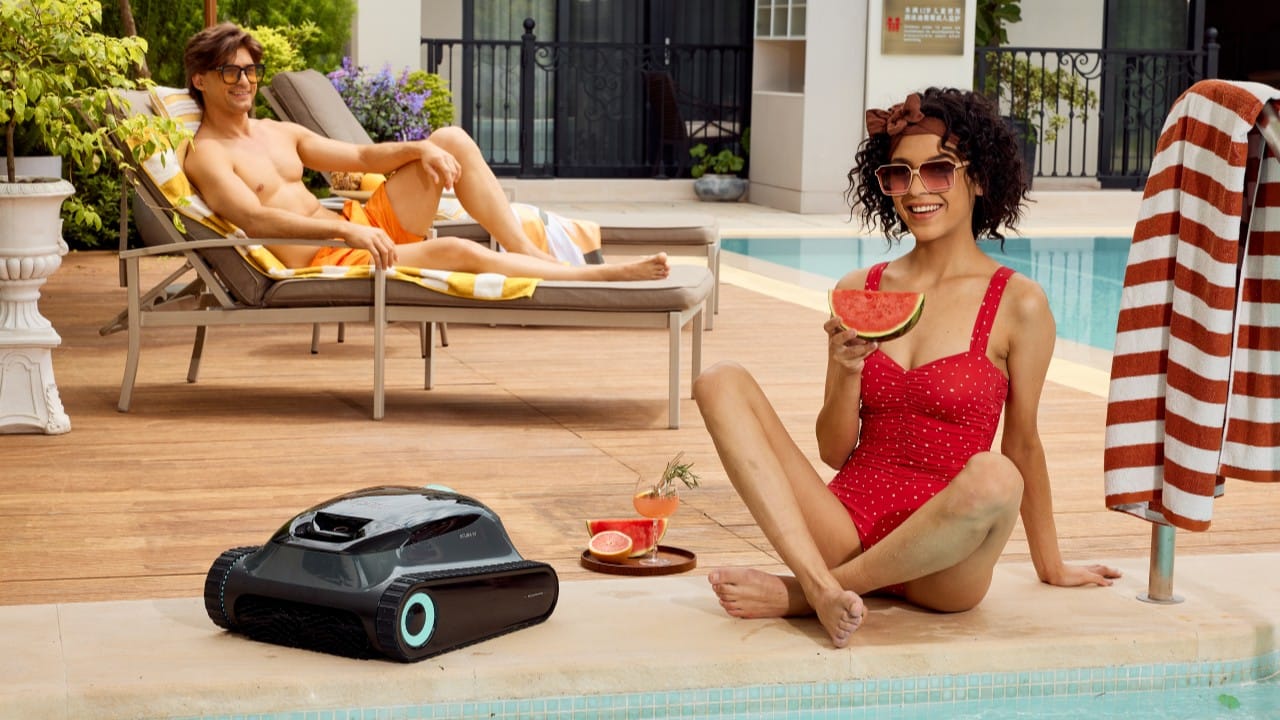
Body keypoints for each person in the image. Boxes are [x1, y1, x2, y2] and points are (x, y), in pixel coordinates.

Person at [692, 87, 1121, 649]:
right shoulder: (858, 289)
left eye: (939, 171)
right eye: (899, 175)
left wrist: (1052, 564)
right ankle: (826, 582)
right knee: (718, 380)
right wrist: (847, 373)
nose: (917, 191)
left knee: (997, 475)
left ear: (980, 178)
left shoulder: (1019, 303)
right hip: (849, 527)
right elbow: (833, 451)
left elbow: (1023, 444)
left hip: (944, 559)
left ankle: (805, 594)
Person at [180, 23, 668, 281]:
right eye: (230, 71)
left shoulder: (276, 130)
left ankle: (526, 251)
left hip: (362, 228)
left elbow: (363, 158)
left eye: (249, 70)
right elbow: (256, 220)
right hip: (327, 259)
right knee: (457, 249)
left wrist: (420, 149)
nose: (244, 80)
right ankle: (593, 280)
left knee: (449, 139)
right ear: (200, 79)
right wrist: (343, 229)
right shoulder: (208, 155)